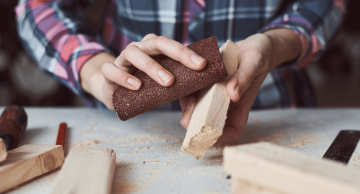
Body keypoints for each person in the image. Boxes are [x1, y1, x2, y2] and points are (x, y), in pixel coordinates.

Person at [16, 0, 347, 144]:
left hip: (275, 120)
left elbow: (326, 3)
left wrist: (276, 44)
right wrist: (93, 71)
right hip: (124, 132)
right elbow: (39, 6)